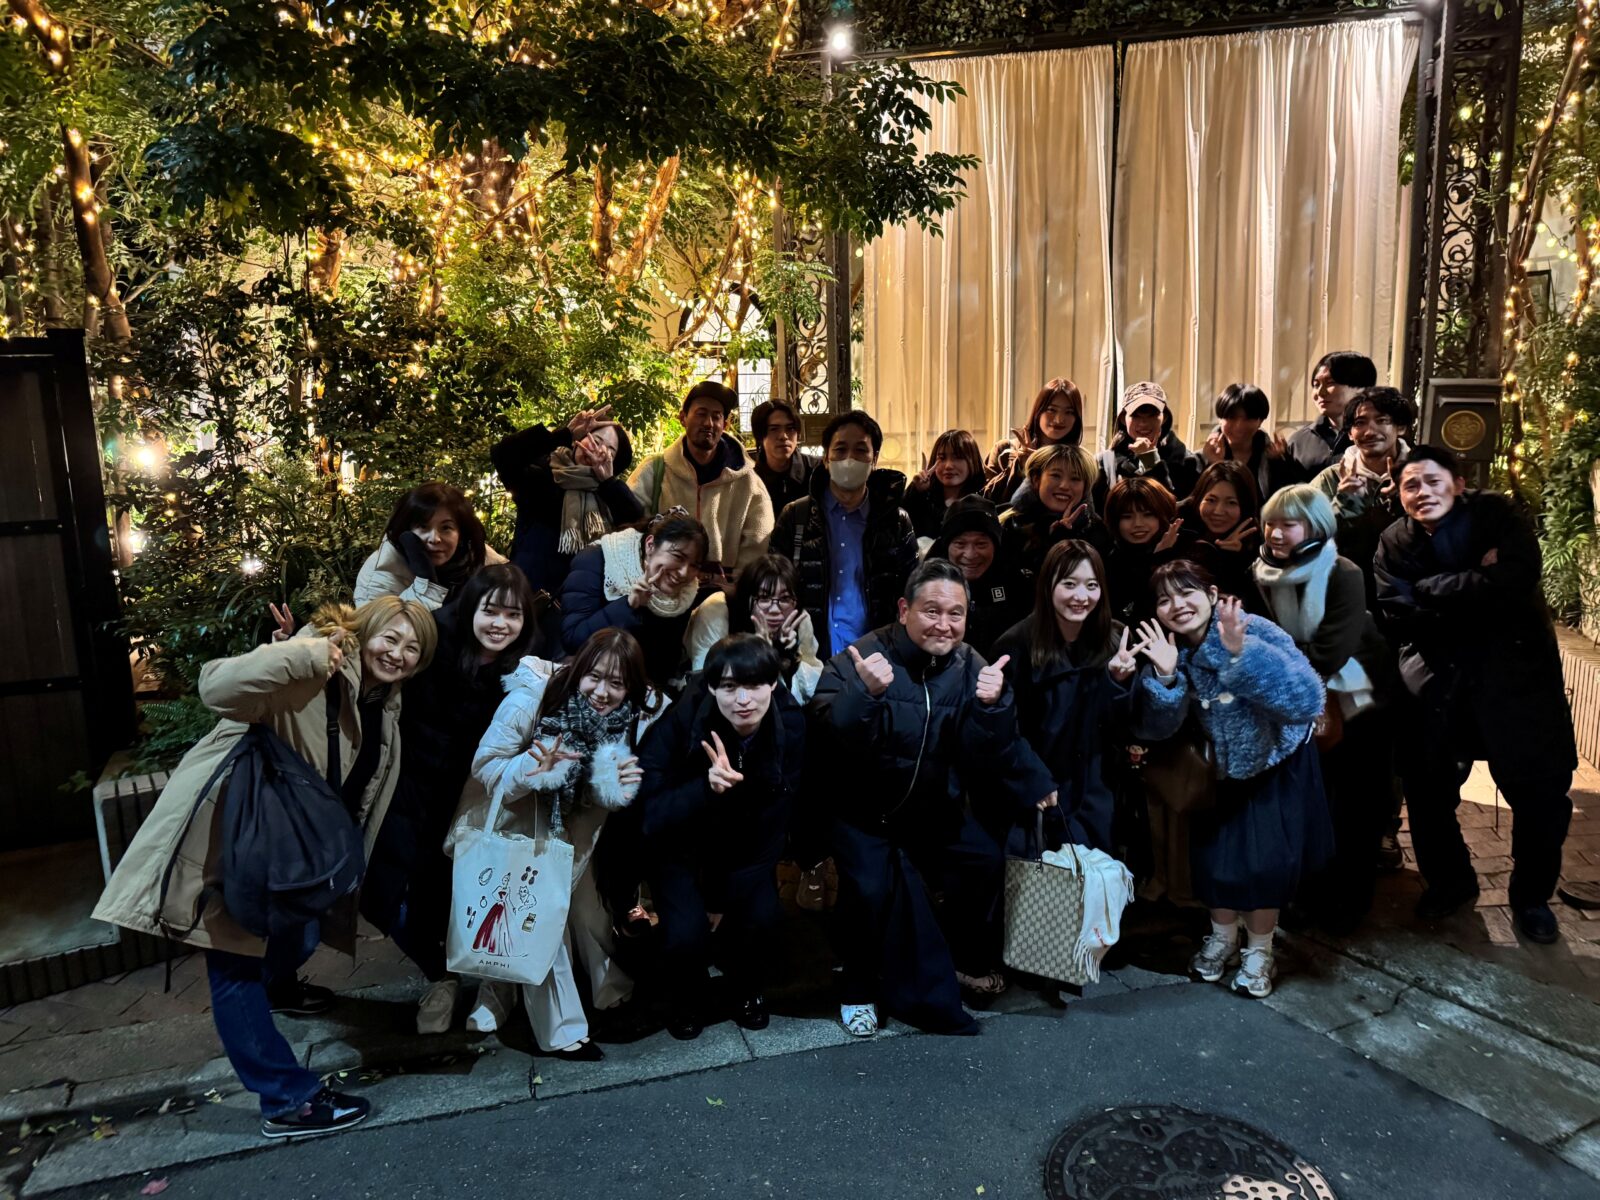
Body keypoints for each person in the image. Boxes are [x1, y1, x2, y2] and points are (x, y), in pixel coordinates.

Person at [93, 597, 436, 1138]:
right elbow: (215, 687)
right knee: (234, 965)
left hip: (293, 847)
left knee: (299, 935)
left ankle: (278, 989)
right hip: (237, 838)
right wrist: (298, 653)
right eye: (389, 638)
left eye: (412, 648)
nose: (398, 653)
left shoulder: (383, 704)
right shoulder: (313, 671)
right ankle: (286, 1100)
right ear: (363, 631)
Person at [809, 559, 1055, 1038]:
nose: (944, 624)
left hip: (932, 809)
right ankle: (858, 987)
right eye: (932, 611)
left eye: (955, 613)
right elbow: (826, 737)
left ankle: (955, 960)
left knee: (984, 861)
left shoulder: (971, 665)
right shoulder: (863, 656)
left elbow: (989, 751)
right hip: (863, 814)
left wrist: (994, 706)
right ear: (904, 610)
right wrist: (864, 694)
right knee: (869, 890)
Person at [1374, 445, 1576, 942]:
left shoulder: (1497, 517)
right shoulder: (1394, 540)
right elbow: (1396, 611)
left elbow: (1516, 579)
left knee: (1540, 795)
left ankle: (1531, 898)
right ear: (1399, 495)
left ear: (1459, 484)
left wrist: (1431, 588)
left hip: (1515, 681)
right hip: (1435, 682)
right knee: (1427, 792)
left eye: (1433, 480)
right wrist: (1479, 582)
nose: (1423, 492)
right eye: (1411, 485)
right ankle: (1450, 882)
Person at [452, 628, 663, 1055]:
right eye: (594, 677)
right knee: (540, 920)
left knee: (587, 911)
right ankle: (560, 1030)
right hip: (520, 825)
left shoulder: (627, 717)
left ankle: (609, 990)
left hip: (575, 833)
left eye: (616, 683)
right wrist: (534, 770)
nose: (602, 692)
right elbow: (485, 766)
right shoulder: (533, 699)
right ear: (578, 669)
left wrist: (614, 785)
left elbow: (603, 792)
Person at [1132, 560, 1331, 999]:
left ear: (1212, 594)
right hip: (1215, 774)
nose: (1177, 605)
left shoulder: (1252, 629)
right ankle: (1223, 937)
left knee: (1264, 866)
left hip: (1273, 765)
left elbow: (1306, 700)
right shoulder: (1169, 649)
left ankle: (1259, 951)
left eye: (1186, 592)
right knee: (1215, 863)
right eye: (1164, 599)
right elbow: (1156, 729)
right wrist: (1165, 677)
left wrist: (1241, 654)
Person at [360, 566, 540, 1034]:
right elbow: (378, 652)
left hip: (471, 796)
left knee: (453, 892)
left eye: (513, 614)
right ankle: (440, 974)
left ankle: (474, 982)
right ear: (470, 608)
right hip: (407, 782)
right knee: (382, 892)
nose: (500, 623)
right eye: (491, 610)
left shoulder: (524, 670)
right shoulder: (434, 640)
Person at [635, 635, 806, 1039]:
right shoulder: (682, 721)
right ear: (712, 687)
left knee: (762, 917)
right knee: (685, 934)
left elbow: (777, 819)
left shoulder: (790, 724)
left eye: (754, 685)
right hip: (681, 848)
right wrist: (704, 788)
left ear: (773, 683)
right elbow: (649, 814)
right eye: (729, 687)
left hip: (746, 851)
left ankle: (746, 989)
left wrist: (721, 897)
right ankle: (686, 996)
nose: (743, 699)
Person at [1253, 487, 1396, 930]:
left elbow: (1330, 650)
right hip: (1298, 699)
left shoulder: (1342, 571)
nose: (1276, 534)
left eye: (1289, 524)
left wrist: (1276, 665)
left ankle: (1348, 904)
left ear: (1315, 528)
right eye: (1271, 523)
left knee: (1354, 806)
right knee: (1310, 802)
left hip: (1356, 699)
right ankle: (1307, 895)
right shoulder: (1262, 570)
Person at [991, 541, 1140, 856]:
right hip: (1041, 793)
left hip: (1098, 793)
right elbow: (1004, 731)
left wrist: (1119, 682)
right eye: (1069, 584)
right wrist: (1034, 780)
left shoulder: (1115, 641)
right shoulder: (1016, 645)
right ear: (1048, 586)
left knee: (1101, 878)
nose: (1081, 596)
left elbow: (1123, 727)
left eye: (1091, 585)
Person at [768, 409, 918, 660]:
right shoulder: (795, 517)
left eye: (860, 450)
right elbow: (773, 587)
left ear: (874, 459)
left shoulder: (896, 522)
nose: (849, 459)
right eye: (840, 449)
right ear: (826, 458)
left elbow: (913, 592)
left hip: (877, 656)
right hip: (810, 656)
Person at [490, 404, 643, 595]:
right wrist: (565, 433)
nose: (598, 449)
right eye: (595, 440)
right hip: (524, 596)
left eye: (609, 449)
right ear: (578, 441)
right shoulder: (544, 476)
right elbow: (503, 454)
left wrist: (608, 482)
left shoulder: (609, 497)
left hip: (577, 601)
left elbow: (638, 523)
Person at [629, 381, 773, 580]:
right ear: (683, 418)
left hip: (721, 589)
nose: (708, 423)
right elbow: (630, 525)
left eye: (716, 416)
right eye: (701, 414)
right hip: (664, 584)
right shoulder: (655, 470)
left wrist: (738, 584)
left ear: (725, 424)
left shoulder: (746, 480)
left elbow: (759, 538)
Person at [559, 511, 709, 692]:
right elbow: (573, 640)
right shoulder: (597, 559)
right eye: (678, 556)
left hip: (637, 693)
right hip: (587, 683)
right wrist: (629, 605)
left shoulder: (685, 593)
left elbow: (665, 665)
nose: (684, 573)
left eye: (694, 565)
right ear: (650, 545)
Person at [1311, 386, 1416, 607]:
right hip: (1345, 596)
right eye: (1360, 423)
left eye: (1382, 420)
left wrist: (1404, 501)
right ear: (1350, 433)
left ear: (1400, 427)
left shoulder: (1422, 476)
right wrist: (1345, 503)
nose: (1369, 431)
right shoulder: (1330, 479)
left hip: (1409, 595)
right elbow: (1307, 541)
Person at [685, 553, 824, 704]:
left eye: (785, 598)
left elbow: (813, 688)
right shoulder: (718, 611)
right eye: (764, 598)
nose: (775, 610)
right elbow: (706, 686)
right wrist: (760, 655)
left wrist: (789, 660)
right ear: (747, 598)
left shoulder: (799, 619)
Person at [355, 482, 506, 611]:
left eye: (446, 528)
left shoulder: (478, 556)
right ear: (406, 530)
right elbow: (385, 633)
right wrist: (426, 586)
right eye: (423, 527)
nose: (434, 539)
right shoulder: (380, 574)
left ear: (461, 534)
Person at [926, 496, 1030, 653]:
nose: (970, 554)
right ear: (947, 546)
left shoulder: (1017, 585)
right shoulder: (925, 586)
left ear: (995, 545)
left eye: (981, 544)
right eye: (960, 544)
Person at [998, 443, 1111, 578]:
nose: (1064, 486)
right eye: (1056, 476)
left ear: (1085, 488)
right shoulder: (1007, 523)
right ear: (1036, 479)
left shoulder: (1096, 531)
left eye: (1075, 479)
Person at [1101, 476, 1193, 626]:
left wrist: (1163, 559)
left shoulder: (1188, 548)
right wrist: (1155, 561)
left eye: (1148, 514)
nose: (1138, 524)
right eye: (1127, 517)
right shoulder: (1111, 562)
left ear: (1162, 515)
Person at [983, 377, 1087, 506]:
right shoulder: (1005, 450)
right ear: (1038, 411)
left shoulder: (1081, 461)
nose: (1059, 419)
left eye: (1069, 412)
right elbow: (985, 500)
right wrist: (1019, 467)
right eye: (1052, 410)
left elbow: (1086, 507)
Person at [1177, 461, 1264, 607]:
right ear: (1199, 498)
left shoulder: (1255, 540)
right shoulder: (1177, 526)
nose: (1218, 511)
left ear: (1245, 506)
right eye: (1211, 500)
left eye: (1231, 503)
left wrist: (1237, 557)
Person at [1097, 381, 1202, 502]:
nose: (1143, 423)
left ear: (1165, 417)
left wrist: (1151, 460)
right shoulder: (1106, 463)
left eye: (1152, 415)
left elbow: (1174, 506)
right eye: (1135, 415)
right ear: (1122, 418)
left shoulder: (1187, 461)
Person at [1287, 351, 1378, 481]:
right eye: (1316, 385)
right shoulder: (1299, 441)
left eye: (1330, 383)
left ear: (1361, 388)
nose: (1320, 392)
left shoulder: (1377, 439)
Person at [1199, 383, 1295, 503]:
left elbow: (1286, 501)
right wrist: (1214, 464)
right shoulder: (1202, 459)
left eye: (1248, 418)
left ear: (1260, 421)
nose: (1239, 426)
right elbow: (1196, 500)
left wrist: (1278, 463)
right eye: (1232, 417)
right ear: (1220, 419)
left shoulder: (1273, 457)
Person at [903, 429, 988, 543]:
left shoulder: (983, 501)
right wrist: (915, 490)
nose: (948, 466)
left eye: (957, 457)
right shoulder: (923, 498)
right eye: (942, 458)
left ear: (973, 461)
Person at [750, 398, 818, 514]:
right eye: (774, 429)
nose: (783, 436)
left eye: (790, 428)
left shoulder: (816, 471)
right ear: (760, 436)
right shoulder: (751, 479)